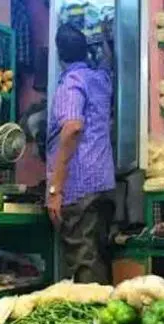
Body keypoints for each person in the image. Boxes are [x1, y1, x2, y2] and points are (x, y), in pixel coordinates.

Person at [46, 22, 115, 284]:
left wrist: (55, 189)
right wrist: (106, 40)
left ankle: (91, 310)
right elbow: (107, 63)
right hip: (103, 183)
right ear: (86, 51)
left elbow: (73, 127)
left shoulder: (71, 83)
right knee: (99, 257)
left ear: (59, 55)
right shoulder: (100, 79)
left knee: (84, 262)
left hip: (79, 186)